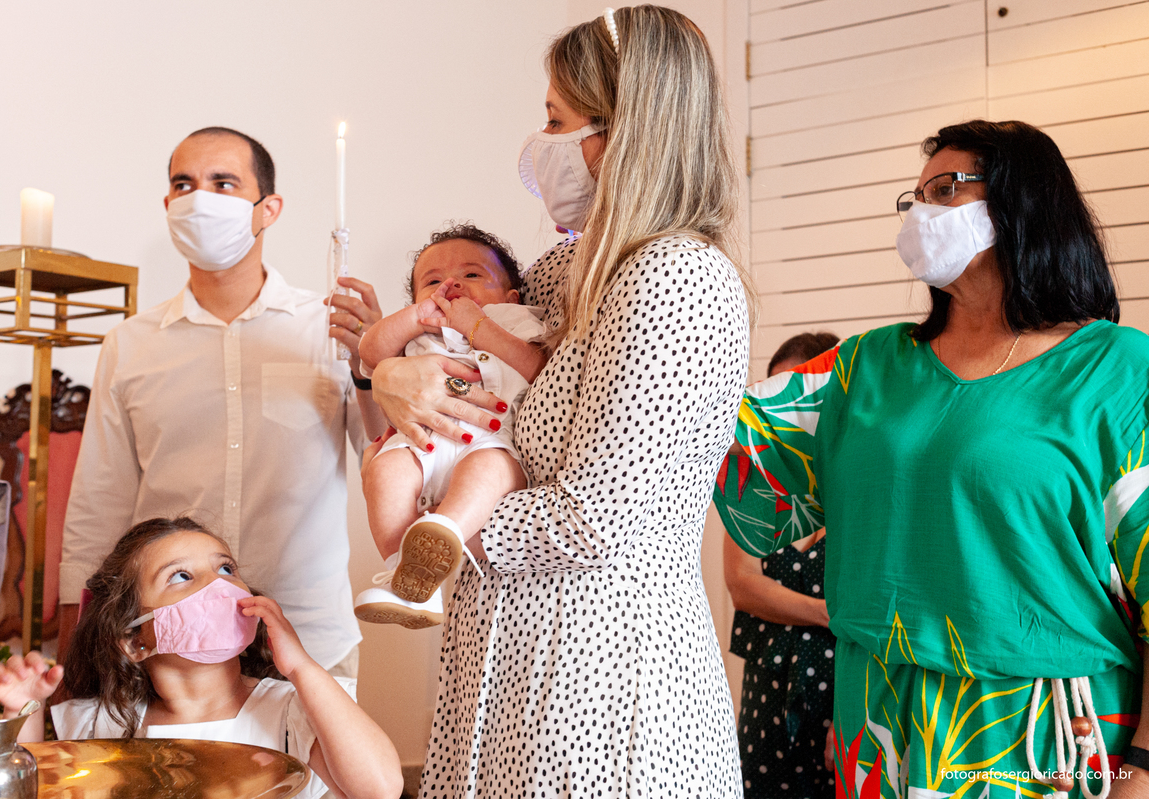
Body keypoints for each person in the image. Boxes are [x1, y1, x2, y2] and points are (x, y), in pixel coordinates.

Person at [349, 7, 753, 796]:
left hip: (598, 670)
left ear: (623, 132)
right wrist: (385, 372)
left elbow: (592, 518)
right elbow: (455, 335)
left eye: (555, 121)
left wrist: (445, 516)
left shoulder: (675, 277)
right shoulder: (574, 271)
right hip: (511, 648)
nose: (541, 146)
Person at [720, 119, 1149, 799]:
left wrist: (1143, 770)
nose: (923, 211)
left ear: (1022, 201)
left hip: (1042, 736)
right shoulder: (860, 370)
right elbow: (696, 430)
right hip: (876, 729)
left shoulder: (1119, 371)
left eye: (946, 188)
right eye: (916, 196)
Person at [60, 127, 387, 681]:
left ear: (268, 209)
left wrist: (375, 366)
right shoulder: (132, 343)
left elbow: (381, 453)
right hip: (170, 642)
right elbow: (101, 497)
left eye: (223, 183)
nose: (200, 199)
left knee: (316, 771)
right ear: (169, 206)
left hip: (309, 632)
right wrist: (77, 634)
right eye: (184, 184)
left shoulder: (327, 327)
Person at [0, 517, 402, 799]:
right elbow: (34, 787)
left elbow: (380, 788)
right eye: (181, 576)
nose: (217, 588)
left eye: (225, 569)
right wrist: (23, 710)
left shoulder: (294, 711)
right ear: (133, 640)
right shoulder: (100, 724)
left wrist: (302, 667)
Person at [352, 224, 547, 629]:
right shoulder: (419, 330)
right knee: (383, 472)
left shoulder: (517, 319)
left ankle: (446, 531)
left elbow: (540, 369)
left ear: (510, 296)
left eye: (472, 275)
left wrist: (480, 325)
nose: (452, 284)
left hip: (487, 440)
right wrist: (416, 317)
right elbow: (368, 355)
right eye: (433, 281)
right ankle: (404, 575)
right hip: (420, 441)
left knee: (493, 470)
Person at [716, 331, 839, 799]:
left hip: (844, 689)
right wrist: (832, 613)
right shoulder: (753, 482)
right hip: (767, 690)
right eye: (772, 389)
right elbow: (743, 586)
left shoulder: (861, 484)